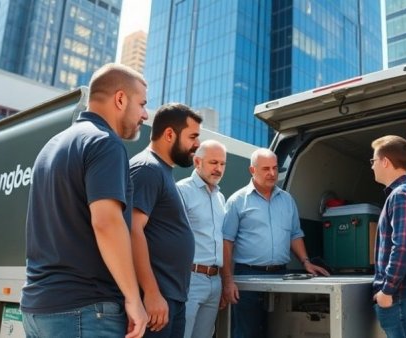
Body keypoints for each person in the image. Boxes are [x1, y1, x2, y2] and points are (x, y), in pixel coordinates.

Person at [21, 63, 149, 338]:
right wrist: (133, 299)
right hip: (85, 310)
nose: (145, 114)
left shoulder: (52, 146)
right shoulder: (105, 143)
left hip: (38, 309)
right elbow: (106, 222)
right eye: (142, 104)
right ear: (120, 99)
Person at [221, 148, 330, 338]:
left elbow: (295, 234)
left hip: (281, 276)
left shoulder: (287, 200)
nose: (272, 173)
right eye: (265, 169)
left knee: (278, 331)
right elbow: (226, 242)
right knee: (247, 332)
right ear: (252, 170)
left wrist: (306, 262)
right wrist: (228, 280)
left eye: (274, 168)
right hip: (247, 277)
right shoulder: (237, 201)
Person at [129, 103, 202, 337]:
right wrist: (151, 293)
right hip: (156, 298)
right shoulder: (147, 168)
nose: (197, 145)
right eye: (192, 136)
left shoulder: (163, 171)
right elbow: (132, 230)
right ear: (169, 134)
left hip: (172, 297)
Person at [370, 135, 406, 338]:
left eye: (373, 161)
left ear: (385, 161)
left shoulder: (401, 196)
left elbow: (403, 247)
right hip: (405, 297)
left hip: (400, 297)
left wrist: (387, 290)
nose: (372, 166)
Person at [176, 140, 228, 338]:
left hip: (215, 281)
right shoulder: (182, 191)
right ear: (197, 161)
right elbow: (172, 239)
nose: (219, 169)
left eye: (222, 164)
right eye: (213, 163)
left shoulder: (219, 198)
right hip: (190, 278)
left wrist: (222, 281)